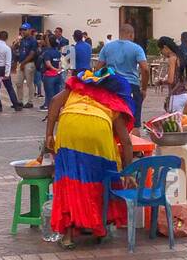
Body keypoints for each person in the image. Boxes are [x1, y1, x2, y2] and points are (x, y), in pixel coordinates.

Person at [44, 64, 135, 249]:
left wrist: (48, 134)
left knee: (69, 182)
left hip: (68, 128)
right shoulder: (112, 100)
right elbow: (126, 142)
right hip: (98, 132)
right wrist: (127, 172)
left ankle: (68, 237)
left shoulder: (75, 89)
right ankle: (99, 228)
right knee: (101, 180)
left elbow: (54, 102)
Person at [100, 22, 149, 129]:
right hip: (131, 86)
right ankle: (133, 143)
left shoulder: (107, 47)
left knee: (111, 120)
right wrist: (144, 89)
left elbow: (98, 68)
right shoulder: (137, 48)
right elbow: (145, 69)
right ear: (131, 35)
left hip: (111, 85)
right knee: (134, 123)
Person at [158, 36, 187, 114]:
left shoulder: (172, 58)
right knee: (178, 122)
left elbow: (170, 80)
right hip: (184, 94)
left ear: (165, 47)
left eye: (161, 50)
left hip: (176, 95)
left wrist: (161, 82)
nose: (161, 52)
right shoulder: (179, 56)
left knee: (173, 124)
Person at [38, 31, 64, 110]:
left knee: (49, 95)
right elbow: (60, 63)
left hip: (49, 76)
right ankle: (57, 111)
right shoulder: (58, 52)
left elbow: (48, 64)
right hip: (57, 76)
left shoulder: (47, 53)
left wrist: (55, 69)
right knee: (57, 94)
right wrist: (58, 70)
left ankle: (51, 112)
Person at [15, 25, 39, 108]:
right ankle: (19, 100)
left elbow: (32, 54)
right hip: (21, 62)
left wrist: (24, 63)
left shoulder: (33, 40)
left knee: (29, 83)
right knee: (18, 82)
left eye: (25, 30)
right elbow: (17, 50)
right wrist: (16, 44)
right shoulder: (22, 40)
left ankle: (30, 101)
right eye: (21, 30)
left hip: (29, 63)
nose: (23, 31)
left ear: (29, 30)